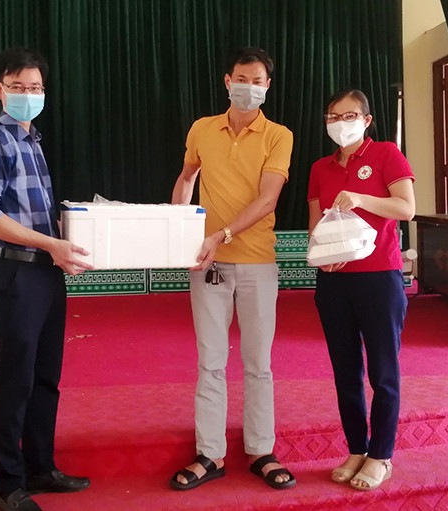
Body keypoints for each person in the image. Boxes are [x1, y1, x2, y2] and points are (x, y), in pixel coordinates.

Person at [0, 47, 93, 511]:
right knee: (15, 380)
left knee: (45, 377)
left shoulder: (31, 140)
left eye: (35, 88)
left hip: (44, 271)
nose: (28, 94)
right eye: (18, 87)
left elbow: (36, 213)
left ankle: (41, 467)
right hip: (16, 272)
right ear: (0, 90)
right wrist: (50, 245)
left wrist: (71, 238)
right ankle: (8, 485)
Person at [169, 47, 296, 491]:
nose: (249, 87)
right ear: (227, 81)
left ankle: (261, 450)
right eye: (241, 79)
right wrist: (179, 231)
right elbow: (187, 177)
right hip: (209, 264)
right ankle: (210, 453)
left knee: (258, 363)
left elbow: (268, 200)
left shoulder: (278, 135)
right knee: (211, 361)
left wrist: (220, 235)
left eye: (257, 81)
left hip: (258, 261)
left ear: (267, 86)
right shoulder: (202, 129)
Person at [307, 89, 415, 491]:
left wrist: (361, 199)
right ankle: (357, 448)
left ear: (366, 120)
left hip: (379, 277)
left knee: (383, 371)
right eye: (332, 117)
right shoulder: (320, 167)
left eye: (349, 115)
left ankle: (381, 455)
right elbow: (315, 223)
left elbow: (405, 208)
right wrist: (320, 254)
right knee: (345, 370)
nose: (340, 123)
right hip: (334, 280)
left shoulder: (386, 154)